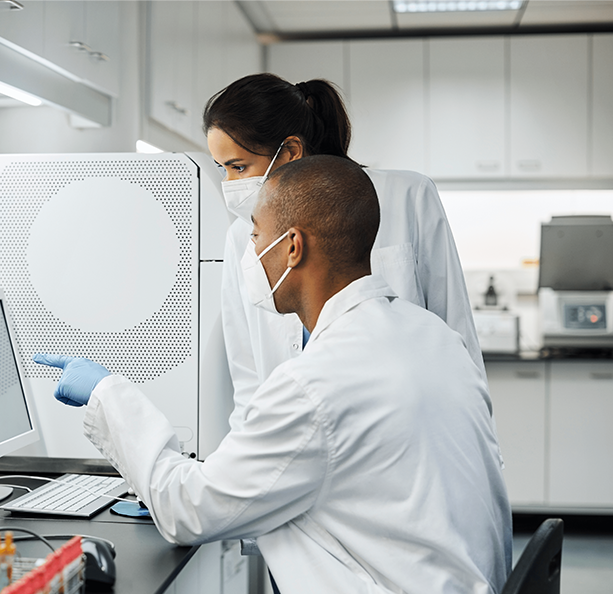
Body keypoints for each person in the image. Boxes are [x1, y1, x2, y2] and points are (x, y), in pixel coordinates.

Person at [35, 155, 511, 594]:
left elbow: (187, 509)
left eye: (256, 235)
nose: (251, 253)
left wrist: (109, 392)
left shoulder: (320, 380)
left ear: (292, 246)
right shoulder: (431, 337)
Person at [205, 73, 485, 431]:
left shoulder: (405, 196)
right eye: (223, 169)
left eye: (239, 167)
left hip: (401, 430)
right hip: (294, 439)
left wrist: (475, 438)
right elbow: (247, 376)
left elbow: (455, 330)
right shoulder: (242, 234)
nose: (231, 185)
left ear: (290, 153)